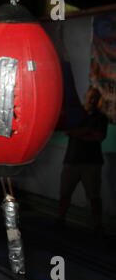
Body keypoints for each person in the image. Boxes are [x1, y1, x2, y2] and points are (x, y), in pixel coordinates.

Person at [57, 85, 108, 235]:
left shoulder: (101, 117)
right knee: (65, 193)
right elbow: (68, 131)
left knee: (94, 196)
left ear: (98, 100)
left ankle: (98, 225)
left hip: (92, 163)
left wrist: (79, 133)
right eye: (90, 97)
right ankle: (60, 219)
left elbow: (99, 137)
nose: (91, 100)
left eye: (95, 98)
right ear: (85, 96)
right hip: (72, 160)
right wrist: (87, 132)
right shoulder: (75, 113)